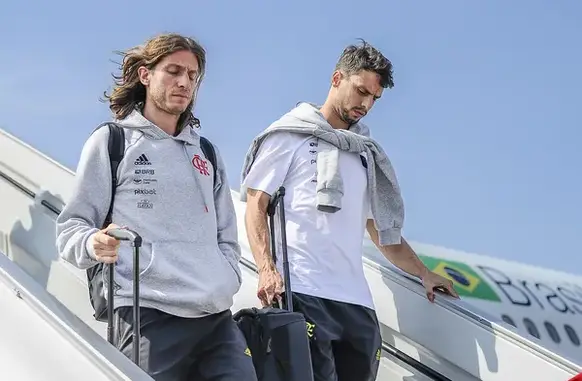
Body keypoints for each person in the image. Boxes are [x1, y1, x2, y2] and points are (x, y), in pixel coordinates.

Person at [241, 39, 460, 381]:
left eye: (374, 98)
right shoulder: (289, 135)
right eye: (361, 92)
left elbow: (383, 234)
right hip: (303, 291)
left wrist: (423, 272)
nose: (366, 105)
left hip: (357, 304)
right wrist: (266, 269)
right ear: (336, 78)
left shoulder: (365, 155)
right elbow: (256, 204)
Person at [55, 33, 257, 381]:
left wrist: (227, 277)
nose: (184, 82)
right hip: (147, 312)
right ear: (146, 75)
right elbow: (71, 226)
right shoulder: (113, 141)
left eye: (192, 76)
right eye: (174, 71)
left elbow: (227, 234)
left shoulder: (206, 153)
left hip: (215, 316)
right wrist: (92, 243)